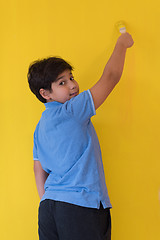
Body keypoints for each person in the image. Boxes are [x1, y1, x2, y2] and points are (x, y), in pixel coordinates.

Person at [28, 32, 134, 240]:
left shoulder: (40, 127)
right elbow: (111, 77)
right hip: (80, 206)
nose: (73, 85)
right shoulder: (74, 110)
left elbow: (38, 168)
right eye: (62, 83)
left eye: (71, 78)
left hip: (49, 209)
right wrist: (122, 44)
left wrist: (47, 200)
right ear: (45, 94)